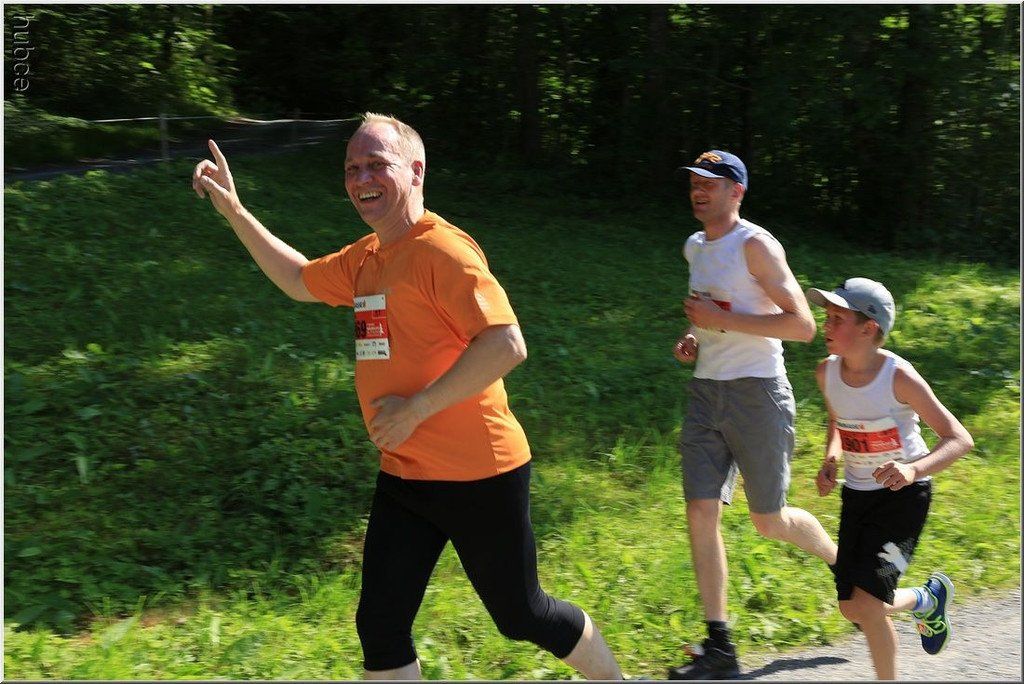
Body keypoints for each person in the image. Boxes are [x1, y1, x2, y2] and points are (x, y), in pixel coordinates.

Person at [191, 113, 622, 681]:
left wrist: (415, 410)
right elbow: (297, 280)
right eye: (352, 168)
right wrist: (235, 211)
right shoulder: (368, 257)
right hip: (405, 474)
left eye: (377, 164)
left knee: (522, 614)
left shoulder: (443, 251)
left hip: (479, 474)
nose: (360, 178)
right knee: (381, 624)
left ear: (415, 171)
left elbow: (506, 344)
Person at [669, 150, 839, 679]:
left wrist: (720, 319)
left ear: (737, 192)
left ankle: (844, 566)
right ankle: (720, 644)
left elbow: (803, 326)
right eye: (695, 182)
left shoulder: (756, 245)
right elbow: (708, 310)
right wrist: (694, 335)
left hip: (758, 393)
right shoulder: (695, 246)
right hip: (706, 393)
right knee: (701, 510)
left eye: (711, 183)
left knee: (770, 521)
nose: (699, 191)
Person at [807, 277, 974, 680]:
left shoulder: (899, 377)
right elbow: (839, 419)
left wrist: (913, 469)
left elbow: (959, 438)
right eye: (827, 317)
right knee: (852, 607)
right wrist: (831, 458)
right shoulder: (826, 373)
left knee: (866, 606)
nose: (826, 326)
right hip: (857, 495)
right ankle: (925, 599)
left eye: (837, 319)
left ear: (869, 329)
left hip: (903, 498)